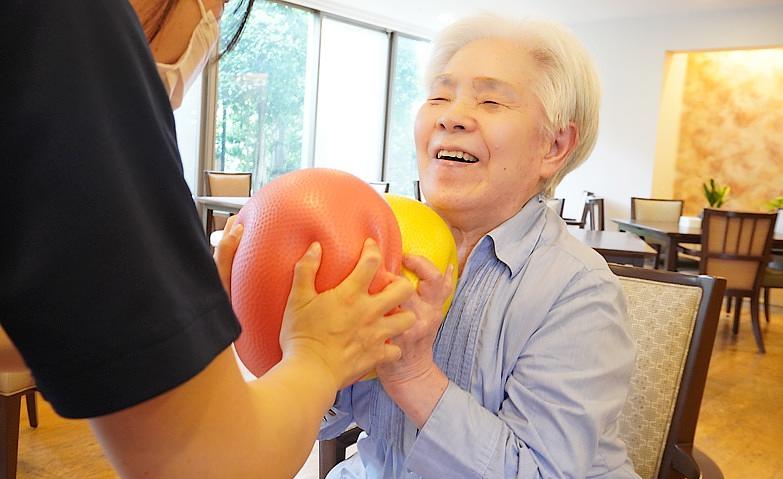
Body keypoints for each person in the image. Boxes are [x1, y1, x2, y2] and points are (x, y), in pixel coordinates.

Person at [1, 1, 416, 477]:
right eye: (217, 11)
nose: (210, 32)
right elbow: (211, 464)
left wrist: (159, 323)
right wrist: (319, 359)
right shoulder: (77, 36)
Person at [320, 14, 640, 478]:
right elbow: (327, 421)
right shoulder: (383, 245)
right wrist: (302, 351)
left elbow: (538, 472)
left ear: (554, 146)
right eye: (439, 96)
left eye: (490, 100)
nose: (450, 116)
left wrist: (413, 373)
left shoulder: (580, 292)